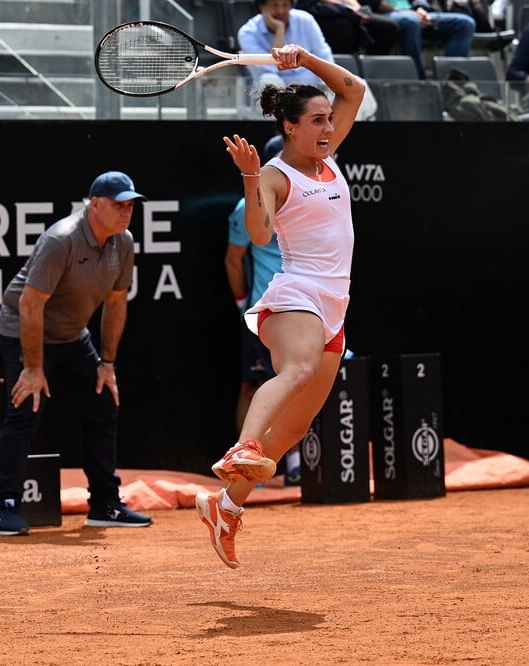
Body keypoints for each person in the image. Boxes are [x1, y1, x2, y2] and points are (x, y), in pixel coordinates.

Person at [197, 44, 365, 568]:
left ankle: (223, 508)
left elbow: (354, 89)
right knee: (298, 368)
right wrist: (250, 177)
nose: (327, 126)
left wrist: (307, 59)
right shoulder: (275, 175)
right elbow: (258, 232)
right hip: (296, 294)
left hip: (335, 303)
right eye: (317, 120)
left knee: (294, 428)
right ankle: (242, 448)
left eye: (329, 120)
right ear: (291, 127)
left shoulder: (328, 157)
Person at [0, 171, 153, 536]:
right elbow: (31, 306)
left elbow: (115, 303)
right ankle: (3, 508)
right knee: (25, 409)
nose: (126, 212)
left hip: (73, 336)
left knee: (103, 401)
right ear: (94, 204)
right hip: (23, 330)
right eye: (117, 205)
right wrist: (33, 368)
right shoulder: (60, 240)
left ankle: (105, 504)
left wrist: (107, 363)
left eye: (130, 206)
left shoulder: (123, 242)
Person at [225, 134, 302, 486]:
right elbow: (234, 258)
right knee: (254, 383)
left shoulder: (307, 198)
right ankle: (243, 464)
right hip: (263, 309)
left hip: (303, 308)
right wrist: (244, 303)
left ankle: (296, 463)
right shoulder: (247, 209)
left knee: (301, 384)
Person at [238, 0, 336, 92]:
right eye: (274, 5)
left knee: (329, 78)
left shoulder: (306, 20)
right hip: (277, 89)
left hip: (309, 86)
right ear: (262, 7)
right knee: (268, 79)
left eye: (285, 5)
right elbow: (269, 66)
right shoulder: (247, 32)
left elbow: (323, 54)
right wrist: (280, 30)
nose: (280, 11)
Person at [372, 0, 476, 80]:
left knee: (465, 24)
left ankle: (453, 83)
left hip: (412, 13)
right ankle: (419, 81)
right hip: (383, 14)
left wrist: (420, 8)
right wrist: (403, 12)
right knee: (412, 22)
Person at [295, 0, 400, 56]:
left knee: (388, 28)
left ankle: (372, 71)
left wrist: (356, 8)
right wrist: (346, 8)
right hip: (318, 11)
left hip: (347, 10)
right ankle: (343, 73)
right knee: (343, 26)